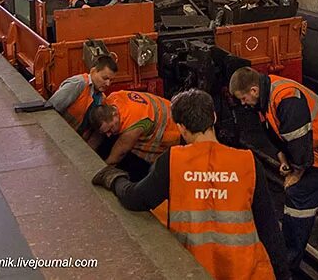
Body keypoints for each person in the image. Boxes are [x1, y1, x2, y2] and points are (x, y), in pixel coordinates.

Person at [95, 89, 290, 280]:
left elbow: (135, 199)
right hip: (247, 272)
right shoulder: (248, 162)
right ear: (213, 117)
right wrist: (283, 273)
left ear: (181, 127)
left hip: (194, 269)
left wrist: (113, 178)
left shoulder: (172, 161)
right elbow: (269, 226)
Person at [230, 67, 318, 272]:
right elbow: (275, 130)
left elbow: (301, 147)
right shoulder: (264, 96)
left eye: (243, 98)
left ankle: (286, 264)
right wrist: (282, 157)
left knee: (298, 196)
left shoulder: (286, 98)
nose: (243, 104)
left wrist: (296, 174)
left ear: (253, 90)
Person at [90, 90, 182, 179]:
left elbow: (116, 156)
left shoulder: (134, 125)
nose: (109, 135)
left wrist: (95, 173)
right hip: (168, 109)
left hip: (172, 130)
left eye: (110, 129)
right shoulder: (113, 98)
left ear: (114, 114)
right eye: (105, 132)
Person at [46, 55, 118, 136]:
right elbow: (49, 111)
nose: (108, 84)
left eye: (111, 80)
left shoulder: (102, 98)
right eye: (105, 78)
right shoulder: (78, 84)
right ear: (93, 71)